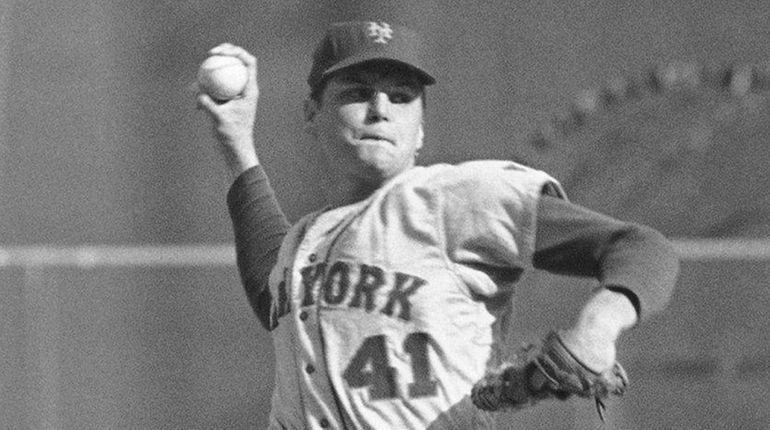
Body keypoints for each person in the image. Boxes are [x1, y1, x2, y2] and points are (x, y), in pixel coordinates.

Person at [196, 21, 679, 430]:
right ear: (311, 112)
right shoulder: (303, 241)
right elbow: (278, 295)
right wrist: (236, 142)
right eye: (358, 92)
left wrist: (599, 326)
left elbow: (640, 248)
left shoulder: (456, 196)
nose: (380, 108)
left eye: (402, 97)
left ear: (421, 129)